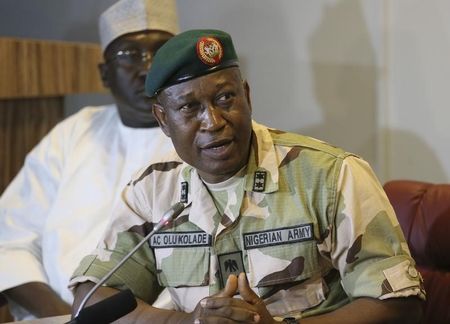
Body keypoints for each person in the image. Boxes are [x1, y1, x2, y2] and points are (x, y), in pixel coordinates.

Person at [70, 29, 425, 323]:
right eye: (189, 108)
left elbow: (401, 303)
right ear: (163, 119)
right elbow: (91, 298)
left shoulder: (330, 174)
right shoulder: (153, 191)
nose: (213, 121)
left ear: (247, 96)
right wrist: (189, 321)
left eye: (225, 98)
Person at [0, 0, 178, 320]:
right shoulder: (75, 132)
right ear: (104, 74)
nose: (148, 67)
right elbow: (9, 242)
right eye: (129, 55)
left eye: (162, 52)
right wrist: (68, 319)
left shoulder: (209, 139)